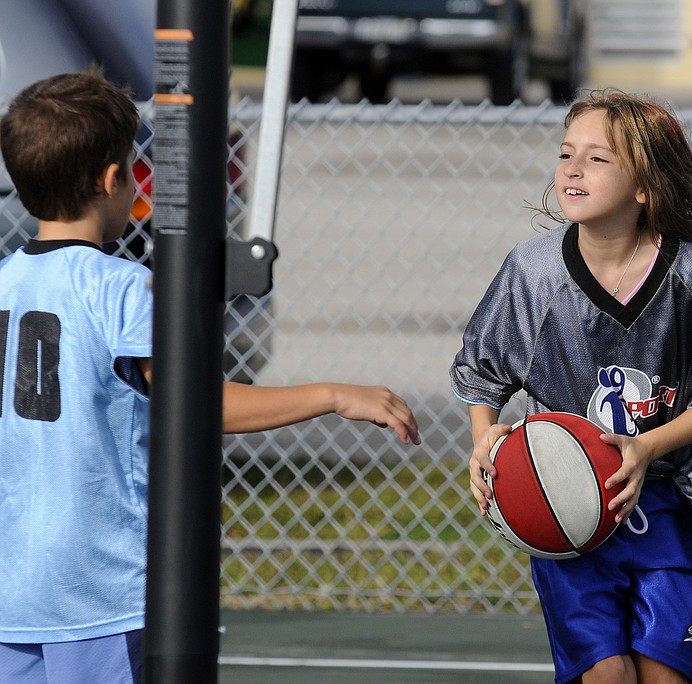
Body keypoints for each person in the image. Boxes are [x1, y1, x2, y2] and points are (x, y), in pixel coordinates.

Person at [0, 70, 419, 683]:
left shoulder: (5, 285)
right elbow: (196, 404)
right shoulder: (118, 290)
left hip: (13, 593)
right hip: (101, 594)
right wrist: (331, 395)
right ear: (114, 179)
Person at [450, 90, 692, 684]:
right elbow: (483, 371)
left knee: (663, 675)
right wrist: (484, 439)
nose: (574, 169)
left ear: (645, 187)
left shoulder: (690, 272)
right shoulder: (533, 271)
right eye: (566, 154)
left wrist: (649, 446)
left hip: (662, 507)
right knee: (607, 676)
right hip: (567, 514)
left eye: (598, 159)